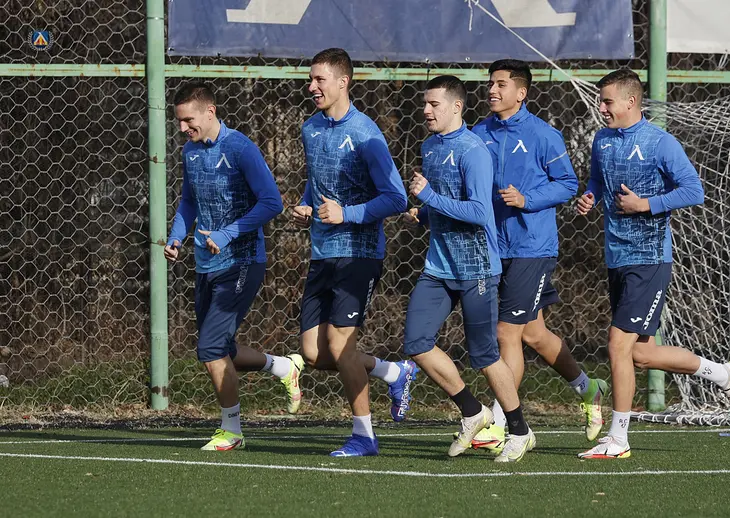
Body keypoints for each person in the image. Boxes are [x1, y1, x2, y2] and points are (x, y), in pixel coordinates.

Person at [576, 69, 730, 459]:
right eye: (601, 101)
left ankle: (618, 438)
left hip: (649, 258)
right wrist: (590, 196)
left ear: (631, 102)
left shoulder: (659, 142)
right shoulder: (602, 139)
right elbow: (597, 182)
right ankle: (724, 374)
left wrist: (645, 204)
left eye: (607, 101)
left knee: (617, 345)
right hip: (616, 257)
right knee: (641, 354)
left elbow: (694, 190)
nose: (602, 107)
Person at [467, 59, 607, 452]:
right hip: (492, 247)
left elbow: (567, 184)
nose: (492, 90)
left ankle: (502, 421)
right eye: (490, 83)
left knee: (505, 333)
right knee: (533, 333)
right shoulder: (478, 133)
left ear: (521, 92)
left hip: (532, 247)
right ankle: (588, 387)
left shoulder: (544, 135)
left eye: (500, 84)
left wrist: (527, 200)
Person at [292, 48, 418, 457]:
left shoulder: (366, 133)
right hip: (322, 251)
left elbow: (396, 198)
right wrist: (307, 204)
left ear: (343, 82)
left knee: (341, 345)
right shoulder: (310, 128)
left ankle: (364, 436)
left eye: (319, 79)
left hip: (359, 251)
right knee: (314, 353)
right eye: (310, 79)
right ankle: (393, 371)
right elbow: (317, 179)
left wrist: (345, 213)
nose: (312, 87)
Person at [165, 83, 304, 451]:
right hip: (205, 263)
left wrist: (228, 233)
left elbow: (272, 202)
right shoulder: (190, 152)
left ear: (210, 112)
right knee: (221, 347)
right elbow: (189, 202)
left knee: (210, 347)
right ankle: (283, 367)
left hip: (242, 261)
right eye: (179, 121)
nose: (182, 128)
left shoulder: (240, 148)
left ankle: (232, 430)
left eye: (188, 120)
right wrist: (176, 237)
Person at [403, 75, 534, 463]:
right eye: (425, 104)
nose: (426, 111)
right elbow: (445, 204)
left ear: (457, 107)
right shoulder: (430, 146)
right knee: (416, 343)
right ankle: (473, 412)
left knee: (485, 356)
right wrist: (424, 214)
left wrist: (429, 196)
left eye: (434, 105)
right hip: (438, 267)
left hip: (477, 269)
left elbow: (479, 211)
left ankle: (520, 431)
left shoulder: (474, 150)